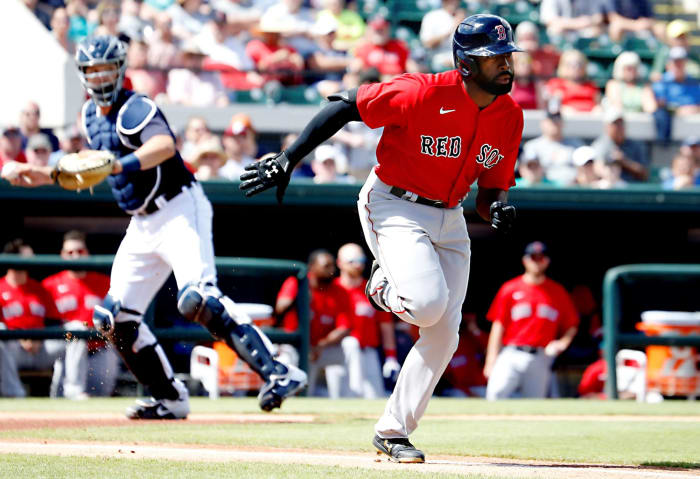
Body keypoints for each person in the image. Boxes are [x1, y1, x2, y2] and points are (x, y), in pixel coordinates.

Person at [240, 13, 523, 463]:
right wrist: (289, 158)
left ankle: (393, 431)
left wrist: (498, 211)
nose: (506, 65)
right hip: (394, 203)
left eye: (508, 55)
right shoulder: (421, 91)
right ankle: (382, 287)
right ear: (466, 63)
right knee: (427, 305)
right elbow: (344, 104)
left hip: (450, 218)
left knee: (443, 335)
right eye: (494, 58)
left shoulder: (509, 115)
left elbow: (491, 192)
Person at [2, 35, 306, 418]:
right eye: (92, 71)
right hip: (142, 222)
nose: (100, 78)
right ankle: (170, 398)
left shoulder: (135, 106)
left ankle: (278, 371)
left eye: (106, 69)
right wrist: (41, 173)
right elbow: (88, 168)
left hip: (179, 207)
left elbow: (163, 145)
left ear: (120, 69)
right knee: (112, 319)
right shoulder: (89, 116)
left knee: (197, 299)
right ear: (82, 75)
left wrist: (118, 165)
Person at [483, 241, 579, 400]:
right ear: (525, 260)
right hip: (511, 352)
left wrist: (563, 342)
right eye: (533, 257)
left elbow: (572, 324)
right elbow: (498, 325)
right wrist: (491, 359)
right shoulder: (510, 288)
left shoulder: (557, 291)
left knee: (534, 403)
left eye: (541, 258)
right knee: (495, 394)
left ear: (547, 261)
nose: (537, 262)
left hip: (541, 356)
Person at [41, 231, 119, 398]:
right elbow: (43, 323)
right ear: (62, 255)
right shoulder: (49, 285)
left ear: (87, 253)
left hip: (98, 347)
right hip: (62, 345)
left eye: (80, 251)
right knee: (76, 330)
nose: (75, 255)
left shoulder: (104, 282)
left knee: (101, 394)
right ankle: (73, 389)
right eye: (70, 252)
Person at [274, 249, 352, 398]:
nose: (331, 271)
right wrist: (299, 298)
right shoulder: (297, 283)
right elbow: (280, 307)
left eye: (332, 266)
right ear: (312, 267)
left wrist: (321, 345)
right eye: (326, 266)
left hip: (322, 347)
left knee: (351, 344)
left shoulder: (339, 290)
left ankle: (346, 399)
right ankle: (287, 400)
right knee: (287, 360)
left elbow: (344, 327)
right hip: (295, 345)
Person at [0, 239, 65, 398]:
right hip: (12, 349)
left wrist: (40, 338)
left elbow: (54, 321)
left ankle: (67, 394)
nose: (32, 259)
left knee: (74, 332)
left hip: (41, 348)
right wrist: (19, 337)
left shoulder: (39, 289)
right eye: (27, 256)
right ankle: (14, 393)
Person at [334, 243, 398, 399]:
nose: (358, 265)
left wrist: (391, 357)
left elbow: (386, 326)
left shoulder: (371, 289)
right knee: (336, 397)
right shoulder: (331, 289)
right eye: (352, 261)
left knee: (374, 397)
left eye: (361, 260)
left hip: (368, 351)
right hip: (338, 352)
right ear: (340, 263)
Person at [591, 108, 649, 182]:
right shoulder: (600, 144)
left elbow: (644, 174)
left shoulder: (635, 145)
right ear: (607, 127)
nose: (619, 127)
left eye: (621, 123)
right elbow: (597, 167)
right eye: (615, 124)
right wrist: (609, 174)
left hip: (632, 190)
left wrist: (624, 162)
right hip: (609, 190)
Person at [544, 49, 601, 113]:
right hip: (566, 120)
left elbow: (597, 103)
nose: (575, 68)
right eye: (570, 64)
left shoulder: (591, 85)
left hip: (590, 119)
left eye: (579, 64)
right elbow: (552, 106)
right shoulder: (555, 84)